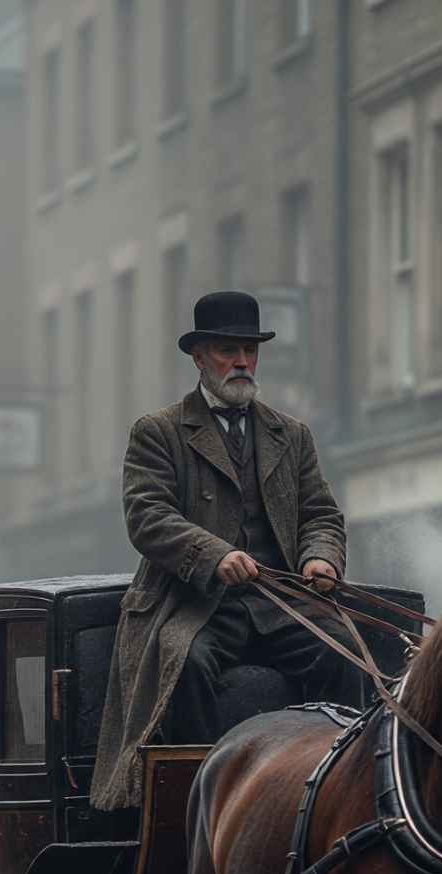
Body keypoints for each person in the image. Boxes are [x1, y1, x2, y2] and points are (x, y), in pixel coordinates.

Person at [89, 291, 351, 811]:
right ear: (200, 358)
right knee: (184, 663)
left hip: (279, 604)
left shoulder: (291, 434)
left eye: (250, 351)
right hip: (196, 604)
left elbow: (321, 513)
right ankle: (201, 806)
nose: (242, 362)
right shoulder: (158, 432)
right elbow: (147, 516)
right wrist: (213, 555)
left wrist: (320, 556)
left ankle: (331, 793)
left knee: (341, 649)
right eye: (228, 350)